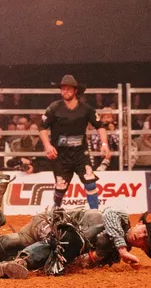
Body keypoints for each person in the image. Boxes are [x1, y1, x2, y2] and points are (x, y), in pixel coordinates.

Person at [0, 172, 151, 279]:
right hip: (47, 226)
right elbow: (110, 215)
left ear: (144, 248)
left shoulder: (112, 255)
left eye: (145, 241)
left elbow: (77, 263)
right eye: (144, 231)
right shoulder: (121, 217)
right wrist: (121, 248)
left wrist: (97, 256)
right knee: (65, 241)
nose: (141, 237)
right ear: (139, 223)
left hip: (36, 241)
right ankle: (21, 262)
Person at [39, 76, 111, 209]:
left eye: (68, 89)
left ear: (75, 90)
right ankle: (56, 209)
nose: (65, 91)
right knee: (61, 187)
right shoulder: (54, 108)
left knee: (90, 182)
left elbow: (100, 126)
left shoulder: (86, 109)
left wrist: (104, 144)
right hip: (60, 155)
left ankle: (95, 213)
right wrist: (47, 145)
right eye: (62, 89)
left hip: (80, 154)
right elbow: (42, 127)